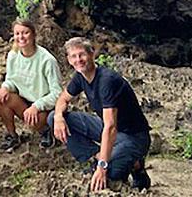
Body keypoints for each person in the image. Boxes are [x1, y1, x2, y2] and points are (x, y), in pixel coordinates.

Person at [48, 37, 152, 192]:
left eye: (82, 54)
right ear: (69, 60)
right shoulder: (80, 77)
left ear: (92, 54)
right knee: (53, 118)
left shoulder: (106, 81)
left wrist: (102, 167)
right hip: (107, 127)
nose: (79, 60)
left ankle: (137, 167)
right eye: (74, 56)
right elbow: (63, 98)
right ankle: (96, 157)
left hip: (134, 136)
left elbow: (110, 127)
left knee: (110, 173)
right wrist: (58, 117)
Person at [0, 19, 62, 151]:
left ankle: (46, 130)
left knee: (33, 121)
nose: (21, 37)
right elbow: (12, 80)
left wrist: (37, 106)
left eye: (25, 33)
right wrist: (5, 87)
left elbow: (57, 94)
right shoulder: (13, 55)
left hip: (43, 106)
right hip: (24, 101)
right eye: (17, 33)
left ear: (33, 35)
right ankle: (12, 135)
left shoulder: (47, 60)